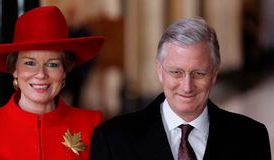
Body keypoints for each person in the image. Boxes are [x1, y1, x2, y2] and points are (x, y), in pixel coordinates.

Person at [90, 17, 271, 160]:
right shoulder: (112, 140)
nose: (187, 86)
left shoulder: (251, 138)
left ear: (215, 73)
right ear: (159, 71)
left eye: (199, 73)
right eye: (176, 72)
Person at [0, 6, 104, 160]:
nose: (41, 74)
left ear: (64, 71)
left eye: (53, 64)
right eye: (30, 63)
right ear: (14, 69)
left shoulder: (91, 124)